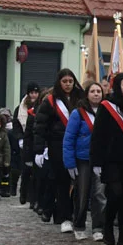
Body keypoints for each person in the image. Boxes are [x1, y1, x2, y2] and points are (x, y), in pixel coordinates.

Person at [90, 73, 123, 245]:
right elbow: (98, 135)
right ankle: (108, 228)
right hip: (110, 160)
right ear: (117, 86)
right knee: (115, 194)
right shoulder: (106, 106)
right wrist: (96, 162)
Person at [34, 69, 84, 230]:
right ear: (59, 82)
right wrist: (39, 150)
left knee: (79, 183)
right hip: (57, 145)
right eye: (65, 81)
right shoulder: (50, 101)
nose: (68, 84)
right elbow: (40, 126)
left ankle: (77, 214)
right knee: (62, 182)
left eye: (70, 81)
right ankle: (64, 217)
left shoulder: (81, 99)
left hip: (79, 144)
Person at [65, 81, 106, 241]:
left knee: (99, 195)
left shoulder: (106, 111)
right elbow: (69, 138)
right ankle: (79, 224)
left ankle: (98, 227)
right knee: (82, 194)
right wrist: (69, 163)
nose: (96, 94)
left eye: (99, 91)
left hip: (100, 160)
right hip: (83, 159)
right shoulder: (78, 113)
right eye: (93, 91)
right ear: (87, 94)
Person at [13, 83, 39, 203]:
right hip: (25, 141)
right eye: (32, 92)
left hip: (37, 141)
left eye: (36, 92)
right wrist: (20, 138)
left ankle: (33, 197)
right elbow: (16, 125)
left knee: (37, 172)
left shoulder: (41, 106)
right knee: (26, 171)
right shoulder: (20, 108)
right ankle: (24, 194)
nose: (34, 95)